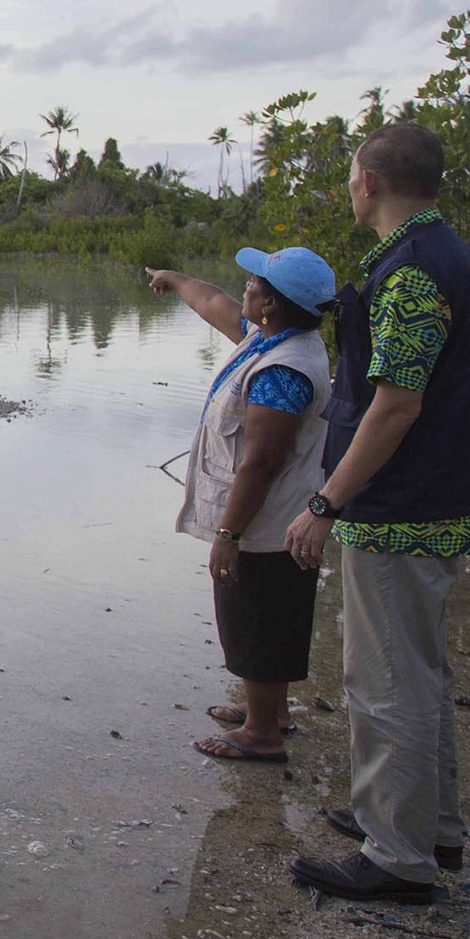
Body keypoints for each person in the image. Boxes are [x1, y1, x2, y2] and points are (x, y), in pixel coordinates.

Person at [284, 122, 470, 903]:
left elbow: (394, 407)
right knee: (416, 669)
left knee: (386, 678)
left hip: (406, 507)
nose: (350, 187)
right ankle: (427, 825)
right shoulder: (445, 253)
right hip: (440, 496)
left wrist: (325, 501)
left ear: (371, 183)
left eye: (351, 175)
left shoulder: (415, 271)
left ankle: (397, 857)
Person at [149, 247, 336, 764]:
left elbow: (261, 464)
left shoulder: (285, 370)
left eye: (254, 284)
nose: (245, 288)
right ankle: (270, 711)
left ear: (271, 304)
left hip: (267, 521)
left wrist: (229, 536)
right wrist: (173, 273)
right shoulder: (271, 338)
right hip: (267, 519)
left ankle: (262, 735)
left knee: (257, 617)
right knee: (264, 615)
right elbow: (213, 302)